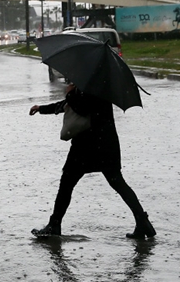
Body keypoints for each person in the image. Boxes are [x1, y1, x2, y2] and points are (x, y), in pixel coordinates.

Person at [29, 83, 156, 239]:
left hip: (89, 144)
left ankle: (54, 224)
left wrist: (70, 93)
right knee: (116, 182)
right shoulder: (94, 82)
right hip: (104, 143)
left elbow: (81, 107)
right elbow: (70, 105)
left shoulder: (95, 86)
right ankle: (142, 221)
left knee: (67, 182)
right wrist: (42, 108)